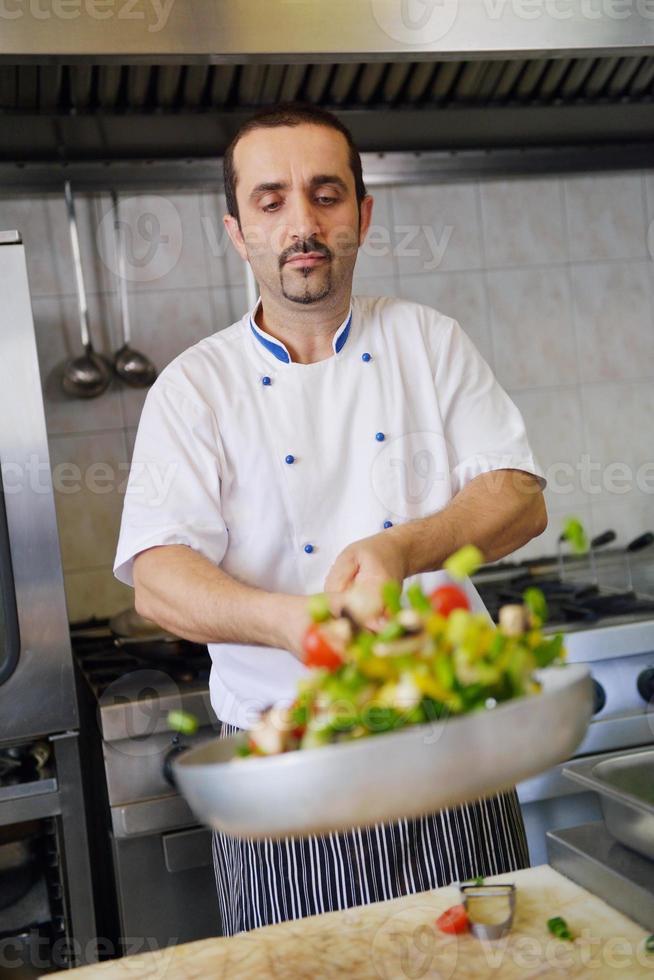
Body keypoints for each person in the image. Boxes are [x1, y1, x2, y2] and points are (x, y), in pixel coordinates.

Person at [114, 102, 548, 937]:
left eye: (326, 194)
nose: (302, 223)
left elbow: (519, 498)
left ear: (364, 214)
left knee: (487, 962)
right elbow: (160, 578)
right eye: (271, 201)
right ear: (238, 231)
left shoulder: (429, 341)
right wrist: (292, 624)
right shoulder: (195, 388)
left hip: (449, 748)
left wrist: (401, 546)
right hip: (287, 767)